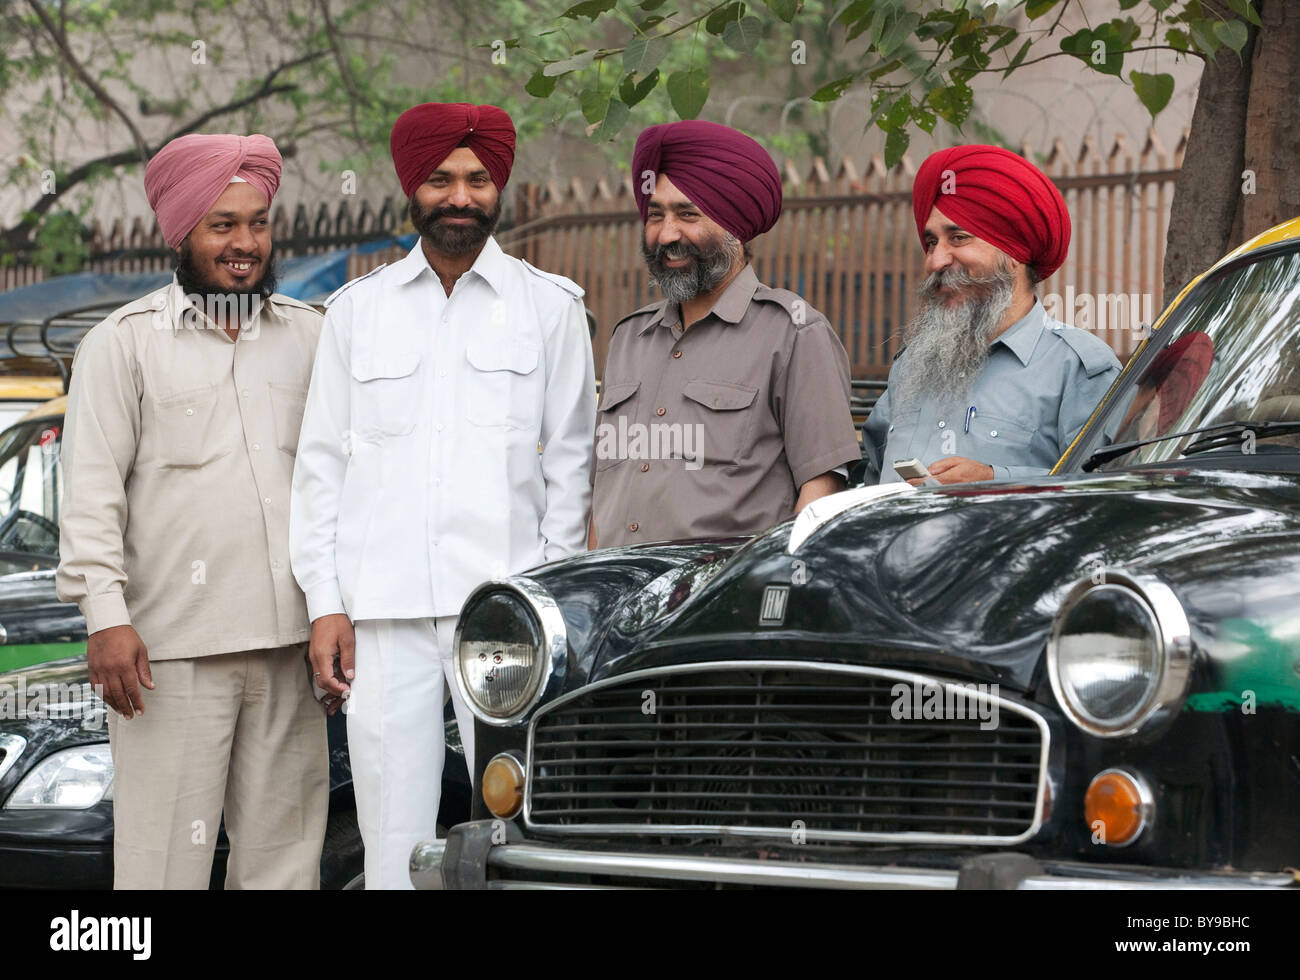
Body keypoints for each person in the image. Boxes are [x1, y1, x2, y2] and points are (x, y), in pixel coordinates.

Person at [289, 102, 596, 889]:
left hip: (505, 616)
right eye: (441, 179)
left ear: (498, 189)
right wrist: (326, 601)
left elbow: (570, 469)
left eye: (477, 178)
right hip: (382, 616)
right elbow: (321, 466)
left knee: (518, 828)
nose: (461, 195)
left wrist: (551, 610)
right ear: (412, 189)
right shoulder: (357, 312)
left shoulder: (551, 308)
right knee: (391, 838)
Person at [56, 134, 328, 889]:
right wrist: (105, 618)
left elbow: (339, 483)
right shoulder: (124, 345)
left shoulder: (313, 336)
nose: (245, 244)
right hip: (167, 653)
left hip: (288, 646)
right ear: (181, 233)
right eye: (223, 225)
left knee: (284, 868)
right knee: (162, 869)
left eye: (258, 223)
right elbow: (90, 496)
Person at [590, 120, 860, 548]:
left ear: (734, 226)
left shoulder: (793, 332)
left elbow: (821, 492)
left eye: (687, 214)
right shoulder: (628, 336)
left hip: (724, 605)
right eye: (655, 214)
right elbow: (604, 489)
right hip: (617, 598)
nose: (667, 234)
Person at [861, 144, 1122, 485]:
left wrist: (993, 480)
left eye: (958, 237)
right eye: (930, 243)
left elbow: (1107, 493)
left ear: (1014, 253)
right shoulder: (910, 365)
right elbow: (870, 478)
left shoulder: (1077, 368)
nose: (936, 261)